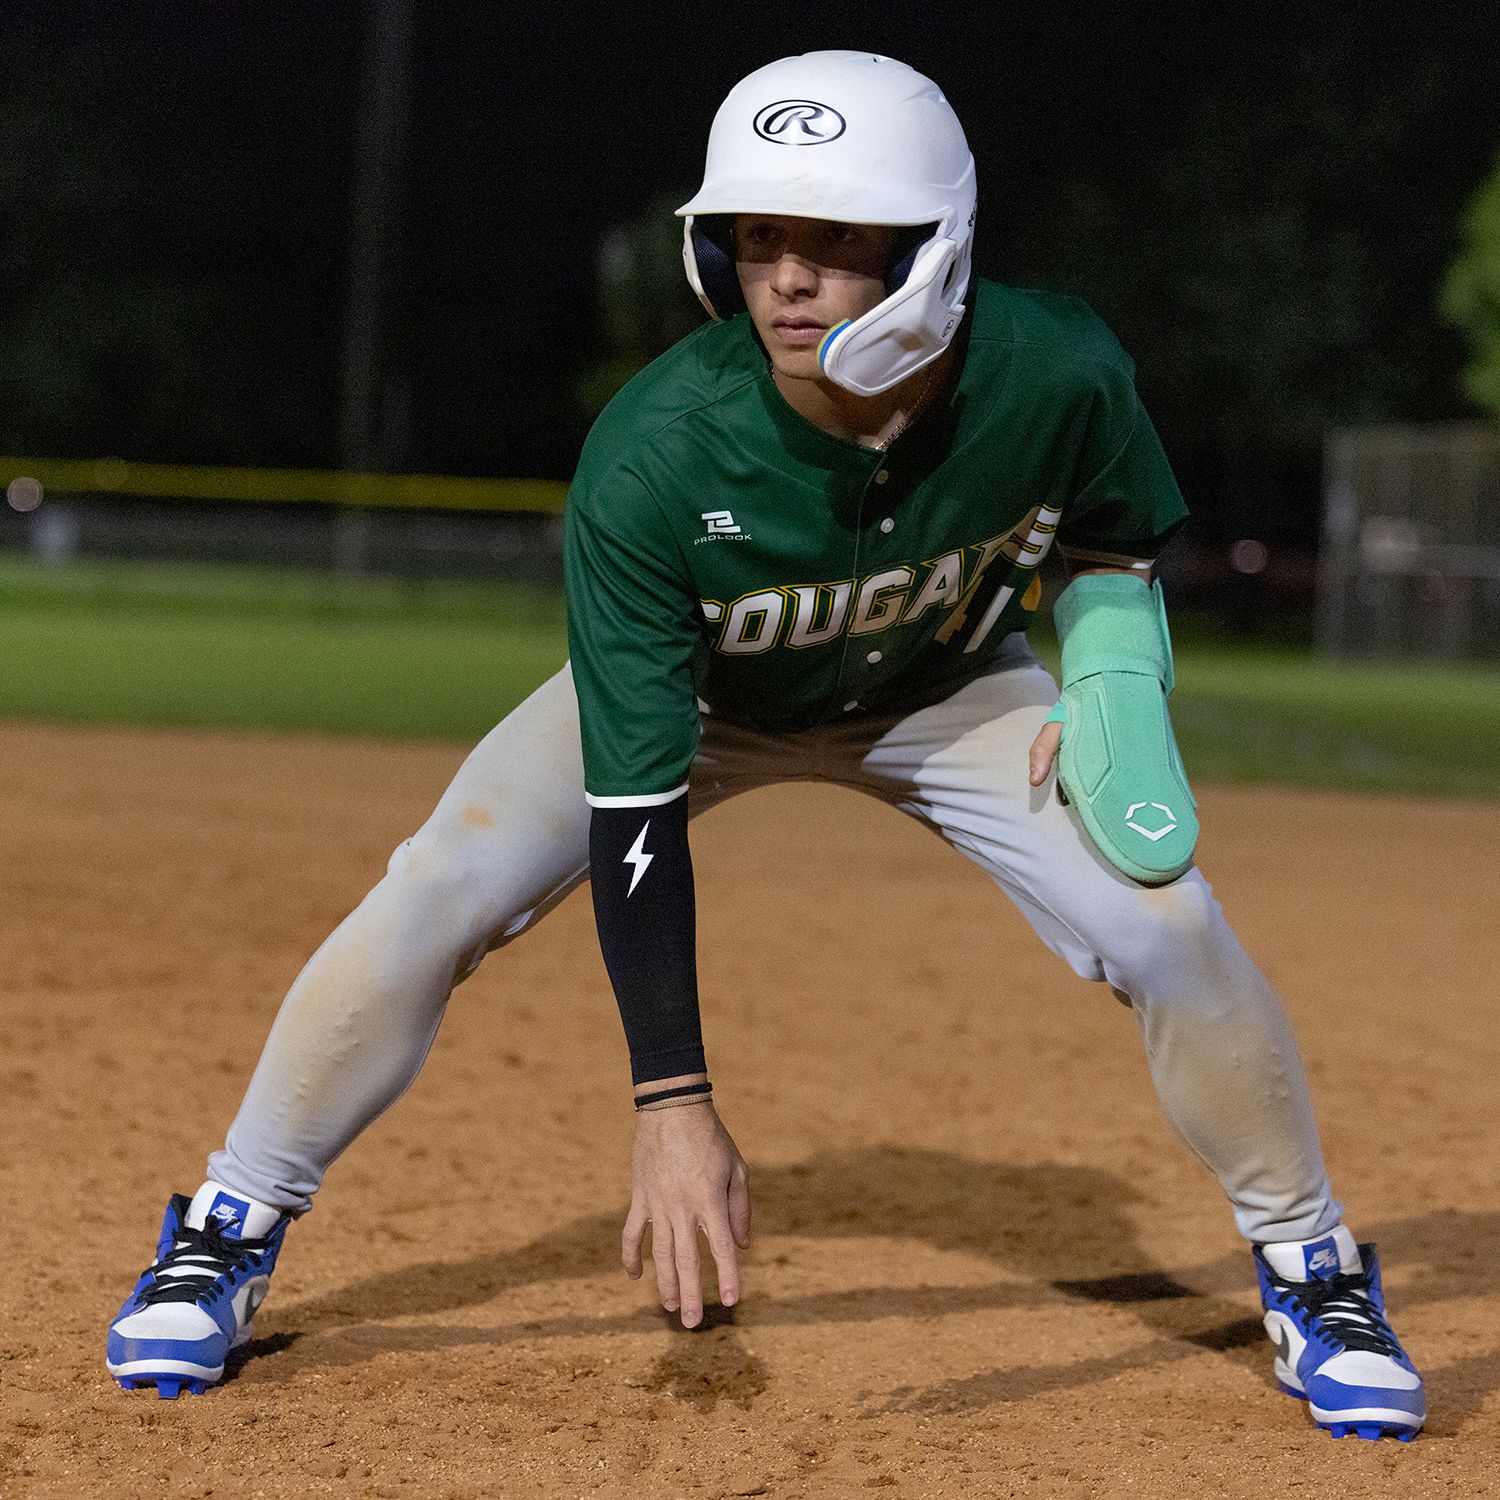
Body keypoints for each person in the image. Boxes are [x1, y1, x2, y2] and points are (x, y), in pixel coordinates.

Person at [107, 51, 1424, 1441]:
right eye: (758, 236)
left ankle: (1313, 1268)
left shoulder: (1061, 366)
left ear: (936, 249)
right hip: (705, 700)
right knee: (442, 880)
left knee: (1166, 919)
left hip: (949, 686)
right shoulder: (656, 455)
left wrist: (1109, 675)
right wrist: (672, 1098)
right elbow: (633, 817)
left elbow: (1111, 528)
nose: (785, 278)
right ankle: (228, 1222)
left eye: (836, 240)